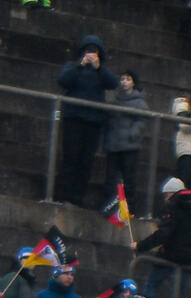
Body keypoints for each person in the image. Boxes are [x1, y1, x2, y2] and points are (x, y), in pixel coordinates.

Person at [56, 35, 120, 206]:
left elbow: (113, 83)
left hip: (93, 121)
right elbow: (63, 81)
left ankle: (77, 197)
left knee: (86, 161)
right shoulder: (73, 67)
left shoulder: (102, 72)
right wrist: (80, 65)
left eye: (94, 51)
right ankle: (63, 194)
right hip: (74, 118)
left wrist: (98, 68)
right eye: (88, 50)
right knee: (70, 157)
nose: (91, 54)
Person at [103, 71, 149, 212]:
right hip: (114, 143)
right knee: (111, 177)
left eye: (128, 79)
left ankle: (130, 208)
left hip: (129, 145)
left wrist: (132, 134)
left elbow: (141, 121)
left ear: (133, 82)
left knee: (129, 178)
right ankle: (110, 206)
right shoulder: (116, 100)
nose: (124, 82)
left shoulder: (139, 103)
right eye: (122, 79)